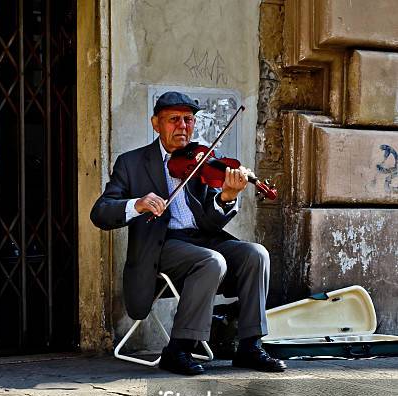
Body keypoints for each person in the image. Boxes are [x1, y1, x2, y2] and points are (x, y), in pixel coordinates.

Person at [91, 91, 286, 375]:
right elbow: (101, 212)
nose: (183, 126)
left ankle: (250, 345)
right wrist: (138, 204)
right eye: (174, 120)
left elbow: (210, 222)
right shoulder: (131, 163)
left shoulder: (202, 159)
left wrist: (227, 197)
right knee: (211, 261)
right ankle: (179, 349)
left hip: (203, 241)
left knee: (256, 254)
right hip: (163, 247)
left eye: (188, 119)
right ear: (156, 124)